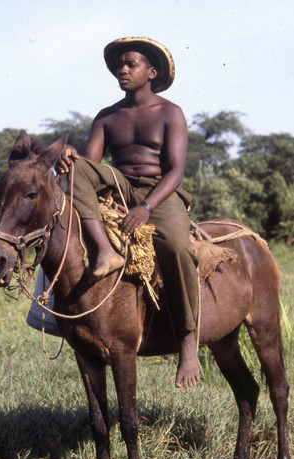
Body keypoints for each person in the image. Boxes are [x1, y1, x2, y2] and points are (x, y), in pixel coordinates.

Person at [56, 37, 199, 388]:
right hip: (118, 184)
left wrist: (146, 208)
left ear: (151, 72)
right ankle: (103, 250)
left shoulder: (170, 112)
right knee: (70, 179)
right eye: (120, 64)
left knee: (178, 245)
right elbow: (89, 166)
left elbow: (176, 170)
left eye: (130, 64)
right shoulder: (107, 116)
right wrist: (67, 153)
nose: (122, 69)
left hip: (159, 191)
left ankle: (188, 339)